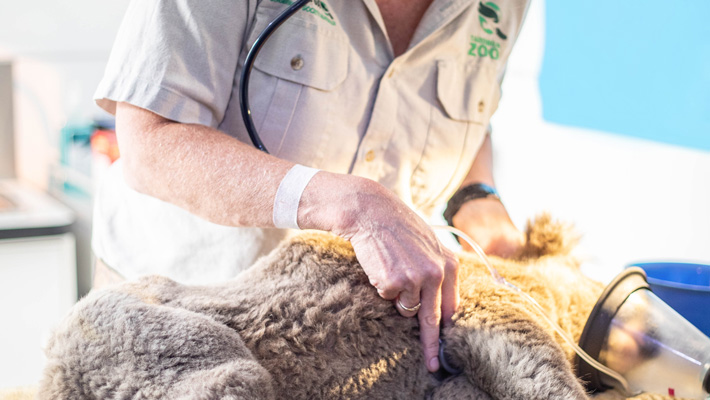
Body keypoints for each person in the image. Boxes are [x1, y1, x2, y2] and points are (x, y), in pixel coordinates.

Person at [92, 0, 530, 373]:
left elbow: (471, 112)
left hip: (350, 337)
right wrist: (351, 206)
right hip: (177, 312)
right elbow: (152, 142)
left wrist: (476, 197)